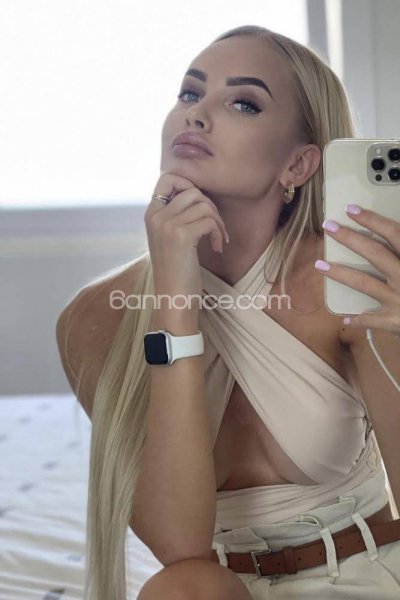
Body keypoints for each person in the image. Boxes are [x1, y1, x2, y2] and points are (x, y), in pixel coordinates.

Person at [56, 25, 400, 600]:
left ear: (298, 165)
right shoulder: (94, 318)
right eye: (190, 93)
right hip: (217, 589)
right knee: (181, 587)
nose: (196, 115)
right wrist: (173, 299)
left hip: (369, 571)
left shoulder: (346, 280)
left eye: (243, 103)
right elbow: (179, 547)